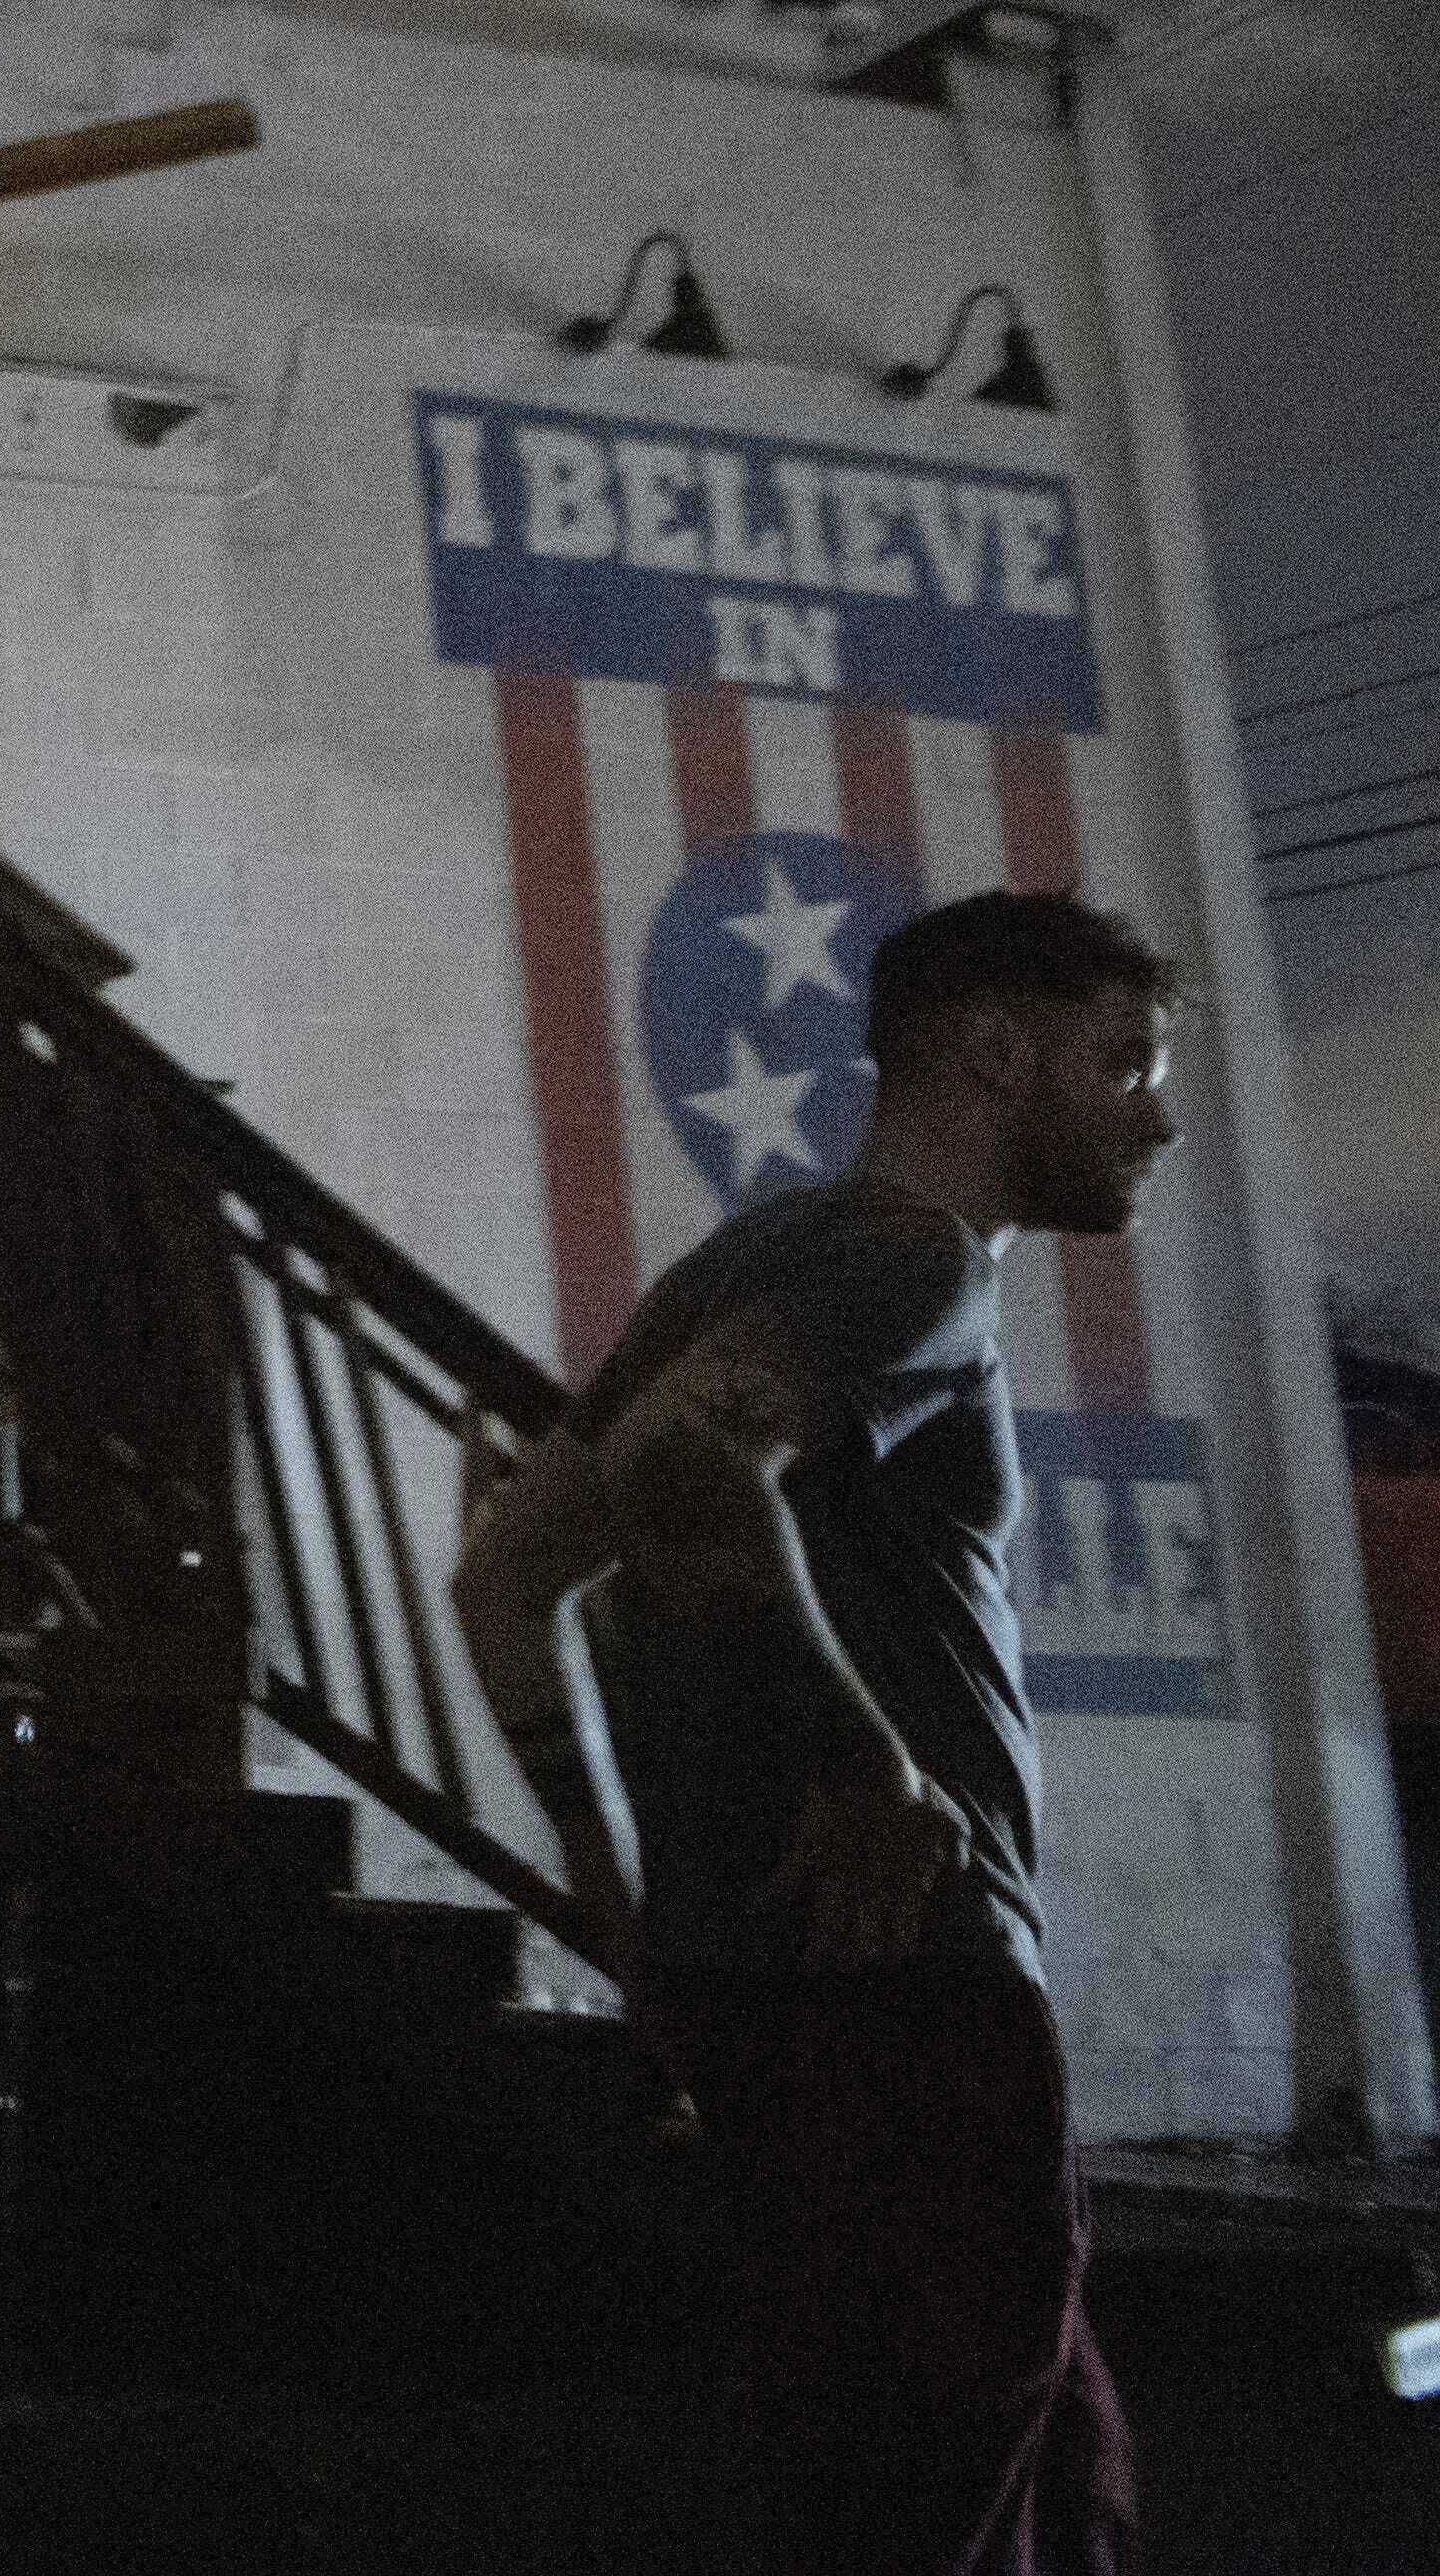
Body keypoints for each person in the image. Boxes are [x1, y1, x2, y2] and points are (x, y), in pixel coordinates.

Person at [450, 888, 1181, 2576]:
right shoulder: (911, 1259)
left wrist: (611, 1892)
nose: (1157, 1111)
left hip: (755, 1987)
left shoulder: (743, 1261)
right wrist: (878, 1765)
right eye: (1124, 1060)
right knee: (944, 2499)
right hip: (912, 1993)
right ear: (999, 1055)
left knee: (1040, 2481)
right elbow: (685, 1475)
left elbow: (503, 1583)